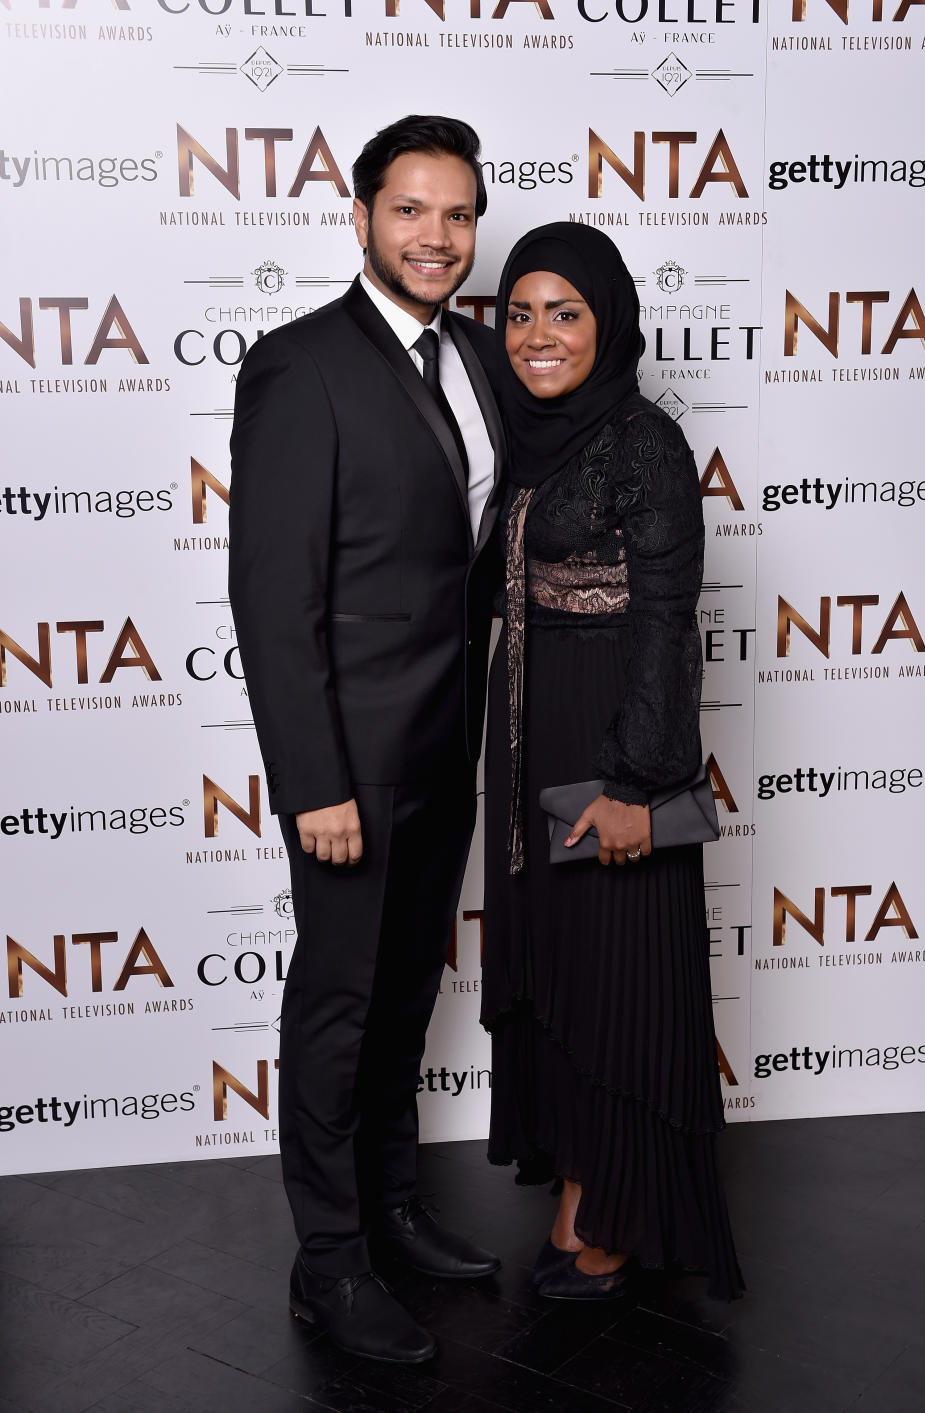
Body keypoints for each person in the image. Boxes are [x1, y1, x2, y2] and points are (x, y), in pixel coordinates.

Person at [228, 115, 506, 1364]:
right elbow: (272, 596)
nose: (436, 238)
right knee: (339, 1007)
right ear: (360, 217)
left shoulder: (483, 359)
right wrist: (313, 783)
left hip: (451, 748)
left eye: (457, 216)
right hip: (350, 764)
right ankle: (329, 1262)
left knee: (404, 998)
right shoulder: (301, 366)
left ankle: (393, 1211)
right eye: (411, 211)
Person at [480, 223, 743, 1302]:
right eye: (521, 313)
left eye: (567, 313)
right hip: (528, 735)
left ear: (612, 321)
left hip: (609, 740)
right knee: (559, 973)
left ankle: (622, 1209)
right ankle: (581, 1181)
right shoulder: (521, 433)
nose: (539, 335)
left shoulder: (645, 444)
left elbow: (666, 621)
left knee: (620, 976)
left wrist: (640, 784)